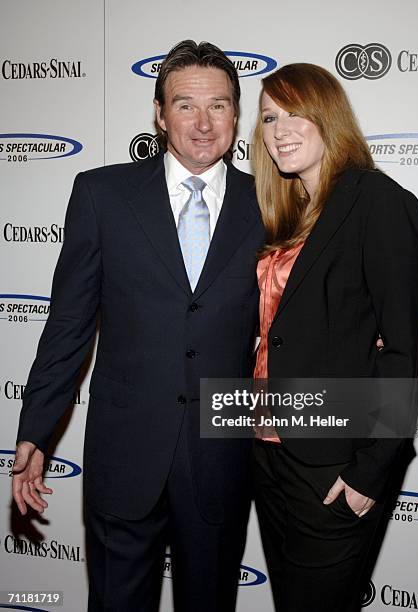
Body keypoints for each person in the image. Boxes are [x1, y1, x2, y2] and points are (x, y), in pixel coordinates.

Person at [12, 40, 265, 612]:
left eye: (219, 106)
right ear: (159, 113)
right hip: (124, 452)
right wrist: (35, 429)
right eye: (184, 105)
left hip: (221, 454)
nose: (203, 123)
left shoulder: (270, 204)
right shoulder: (103, 195)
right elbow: (68, 325)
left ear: (237, 113)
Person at [251, 63, 418, 612]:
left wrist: (370, 471)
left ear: (328, 116)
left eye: (295, 113)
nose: (279, 129)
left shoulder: (377, 201)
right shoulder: (286, 211)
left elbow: (402, 351)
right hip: (266, 451)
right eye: (268, 117)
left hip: (332, 459)